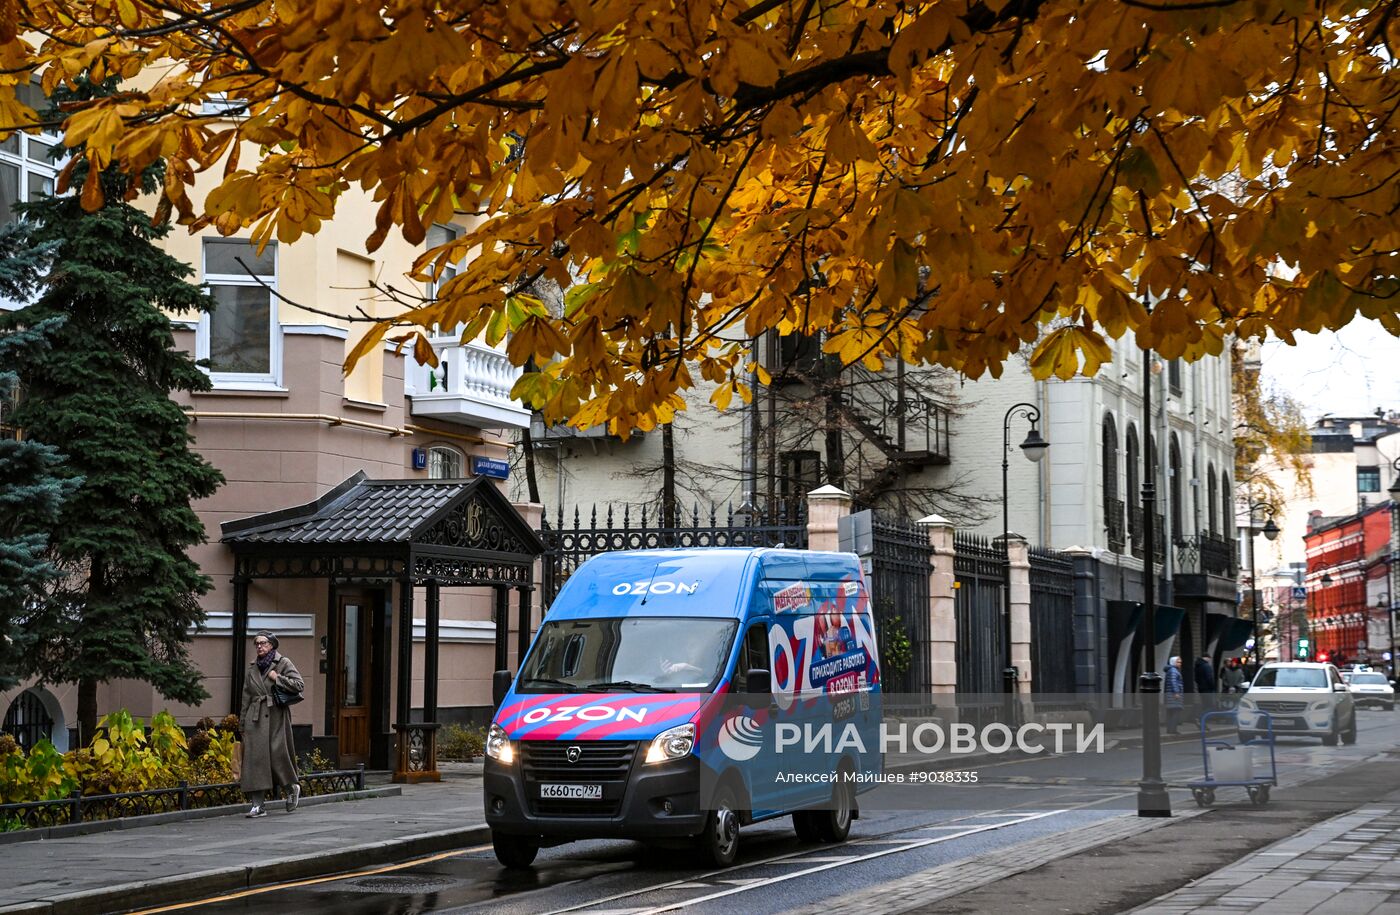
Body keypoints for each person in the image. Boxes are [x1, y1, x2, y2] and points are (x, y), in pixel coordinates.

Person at [240, 630, 304, 817]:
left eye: (263, 643)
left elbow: (299, 685)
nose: (259, 646)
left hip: (276, 716)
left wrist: (278, 678)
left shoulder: (283, 662)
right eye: (257, 643)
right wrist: (242, 723)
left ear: (272, 645)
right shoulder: (252, 668)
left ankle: (291, 788)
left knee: (277, 756)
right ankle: (257, 805)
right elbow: (246, 696)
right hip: (255, 718)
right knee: (255, 760)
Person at [1164, 656, 1185, 735]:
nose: (1180, 664)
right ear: (1173, 662)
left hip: (1170, 694)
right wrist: (1176, 692)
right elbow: (1173, 681)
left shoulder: (1171, 670)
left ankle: (1170, 729)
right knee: (1175, 712)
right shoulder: (1173, 671)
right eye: (1178, 662)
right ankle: (1173, 730)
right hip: (1174, 695)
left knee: (1171, 712)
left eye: (1180, 662)